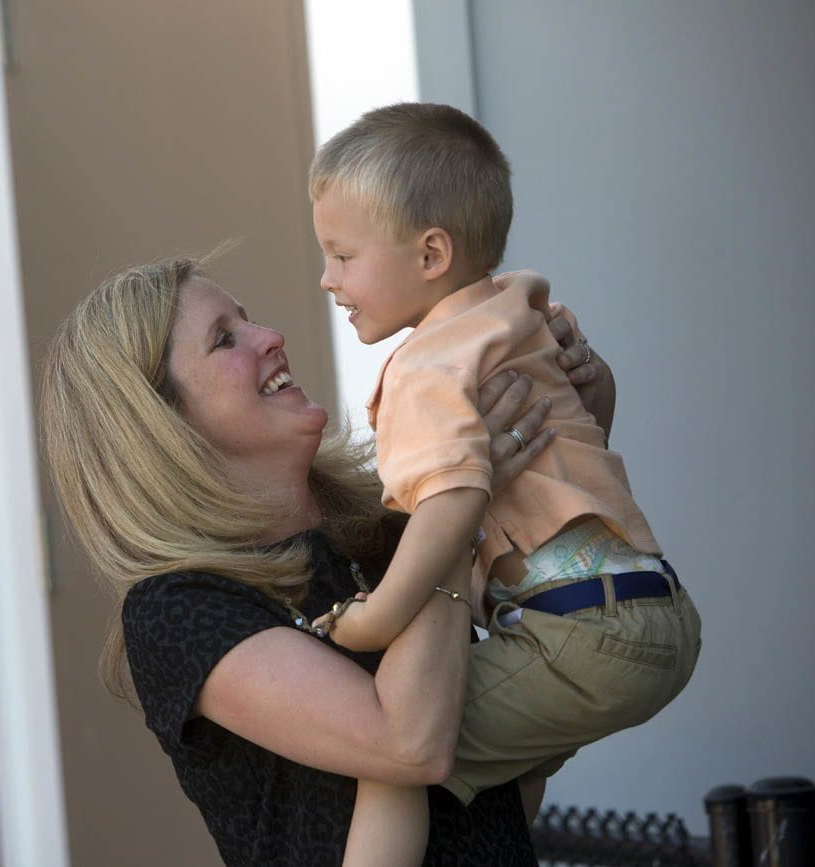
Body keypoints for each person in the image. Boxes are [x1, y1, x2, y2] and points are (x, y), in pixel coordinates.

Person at [39, 254, 610, 865]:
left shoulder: (390, 520)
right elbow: (408, 745)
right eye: (225, 339)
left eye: (249, 320)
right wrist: (455, 511)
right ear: (161, 423)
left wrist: (572, 385)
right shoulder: (181, 609)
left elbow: (554, 560)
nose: (270, 337)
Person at [308, 102, 702, 865]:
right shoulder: (516, 316)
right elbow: (581, 442)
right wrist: (600, 381)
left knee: (391, 756)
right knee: (503, 771)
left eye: (342, 255)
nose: (327, 280)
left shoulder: (430, 367)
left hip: (580, 634)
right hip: (652, 609)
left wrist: (373, 618)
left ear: (429, 255)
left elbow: (453, 501)